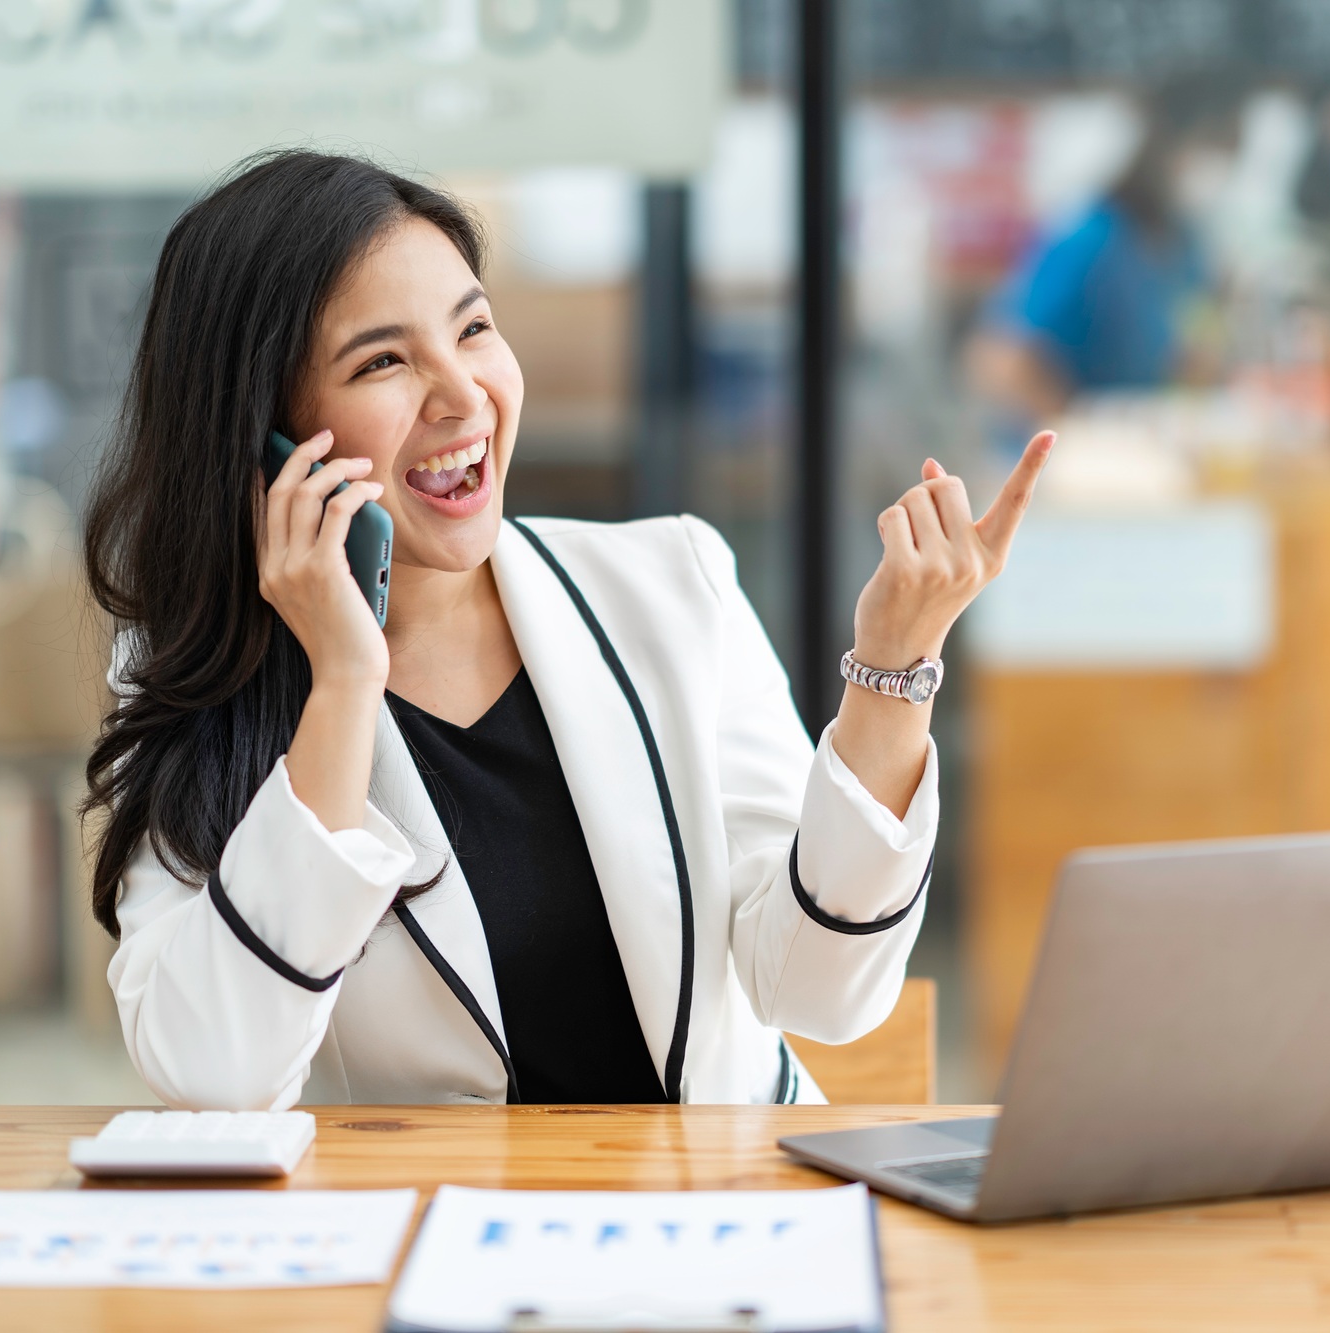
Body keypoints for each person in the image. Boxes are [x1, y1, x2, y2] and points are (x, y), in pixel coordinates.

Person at [82, 151, 1053, 1109]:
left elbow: (819, 987)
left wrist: (891, 669)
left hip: (723, 1221)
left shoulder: (672, 581)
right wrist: (341, 681)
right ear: (264, 430)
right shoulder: (191, 675)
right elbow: (213, 1073)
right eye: (383, 361)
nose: (463, 394)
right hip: (425, 1238)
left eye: (472, 330)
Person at [968, 86, 1238, 425]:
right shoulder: (1087, 237)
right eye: (1213, 149)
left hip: (1147, 441)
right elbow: (1001, 358)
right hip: (1070, 456)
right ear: (1165, 146)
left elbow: (1190, 350)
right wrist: (1070, 429)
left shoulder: (1185, 243)